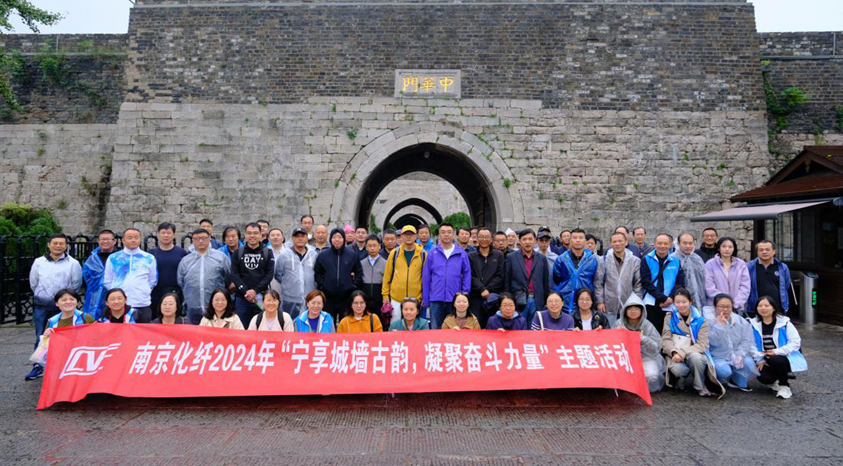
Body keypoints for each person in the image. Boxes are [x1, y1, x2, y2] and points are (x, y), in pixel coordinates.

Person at [661, 288, 723, 397]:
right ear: (674, 303)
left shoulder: (700, 320)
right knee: (679, 370)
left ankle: (700, 385)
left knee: (696, 358)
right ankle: (679, 379)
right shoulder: (669, 317)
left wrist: (682, 353)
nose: (681, 305)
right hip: (675, 353)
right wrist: (674, 352)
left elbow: (702, 344)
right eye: (677, 302)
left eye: (684, 302)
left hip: (691, 352)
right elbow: (666, 339)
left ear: (690, 302)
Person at [25, 289, 95, 381]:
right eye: (64, 300)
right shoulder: (52, 321)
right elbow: (47, 344)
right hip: (61, 361)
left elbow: (96, 336)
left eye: (72, 299)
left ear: (76, 301)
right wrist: (47, 334)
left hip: (82, 358)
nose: (68, 302)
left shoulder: (85, 317)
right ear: (57, 303)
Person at [29, 233, 82, 349]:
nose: (58, 246)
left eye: (61, 243)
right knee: (41, 336)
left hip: (63, 307)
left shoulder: (73, 263)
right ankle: (39, 359)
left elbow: (76, 284)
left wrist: (64, 299)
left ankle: (61, 358)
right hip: (42, 306)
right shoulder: (39, 262)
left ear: (66, 246)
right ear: (49, 245)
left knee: (63, 336)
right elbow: (34, 283)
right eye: (55, 243)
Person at [750, 296, 807, 399]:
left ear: (773, 308)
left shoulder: (785, 323)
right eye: (760, 306)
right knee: (764, 378)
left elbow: (795, 342)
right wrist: (760, 360)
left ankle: (784, 386)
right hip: (765, 358)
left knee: (775, 359)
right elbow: (751, 344)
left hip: (784, 357)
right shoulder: (753, 324)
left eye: (766, 305)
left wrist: (776, 351)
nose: (763, 308)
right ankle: (776, 379)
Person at [423, 222, 472, 329]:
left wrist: (465, 296)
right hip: (436, 299)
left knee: (454, 330)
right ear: (439, 235)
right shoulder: (432, 253)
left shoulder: (461, 253)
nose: (446, 235)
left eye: (449, 232)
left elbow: (467, 275)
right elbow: (426, 277)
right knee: (436, 330)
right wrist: (426, 299)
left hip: (455, 299)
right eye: (443, 232)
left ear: (453, 235)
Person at [103, 228, 158, 323]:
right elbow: (108, 280)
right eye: (130, 237)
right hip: (119, 305)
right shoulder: (114, 258)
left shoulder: (149, 258)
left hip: (141, 303)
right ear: (123, 240)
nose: (133, 240)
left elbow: (152, 280)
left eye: (136, 237)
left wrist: (144, 291)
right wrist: (117, 296)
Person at [178, 228, 231, 324]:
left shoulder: (221, 257)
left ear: (209, 238)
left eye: (203, 238)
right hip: (193, 307)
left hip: (216, 306)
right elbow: (181, 281)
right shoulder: (185, 261)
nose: (200, 241)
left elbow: (228, 278)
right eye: (197, 238)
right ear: (192, 240)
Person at [707, 293, 758, 391]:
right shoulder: (708, 321)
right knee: (724, 370)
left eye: (728, 307)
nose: (725, 309)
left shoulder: (741, 321)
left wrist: (740, 354)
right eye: (722, 306)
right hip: (716, 356)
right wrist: (720, 326)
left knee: (748, 362)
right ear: (715, 307)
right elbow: (713, 342)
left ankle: (737, 381)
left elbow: (747, 340)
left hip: (734, 353)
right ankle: (716, 380)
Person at [614, 294, 664, 392]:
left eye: (636, 309)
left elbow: (657, 347)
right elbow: (611, 344)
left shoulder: (647, 325)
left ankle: (643, 389)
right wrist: (618, 334)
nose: (633, 311)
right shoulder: (619, 323)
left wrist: (643, 339)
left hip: (645, 357)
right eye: (630, 309)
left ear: (642, 311)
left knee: (651, 374)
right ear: (624, 311)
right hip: (625, 359)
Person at [229, 222, 275, 328]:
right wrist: (246, 292)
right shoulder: (238, 252)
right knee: (242, 329)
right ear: (245, 235)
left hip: (261, 297)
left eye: (255, 233)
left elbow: (269, 275)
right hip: (242, 298)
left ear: (260, 235)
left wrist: (255, 291)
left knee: (262, 327)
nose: (252, 236)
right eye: (249, 233)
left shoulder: (267, 252)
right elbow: (234, 274)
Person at [594, 231, 643, 326]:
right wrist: (600, 301)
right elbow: (598, 283)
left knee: (628, 330)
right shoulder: (603, 260)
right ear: (611, 244)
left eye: (620, 241)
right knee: (610, 331)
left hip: (628, 302)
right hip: (608, 303)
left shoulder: (635, 261)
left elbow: (638, 284)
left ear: (626, 242)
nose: (617, 244)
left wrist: (635, 302)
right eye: (614, 241)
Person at [504, 229, 552, 327]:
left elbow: (545, 282)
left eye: (530, 239)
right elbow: (507, 281)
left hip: (537, 299)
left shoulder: (542, 258)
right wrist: (508, 300)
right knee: (517, 328)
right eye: (524, 239)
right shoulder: (511, 257)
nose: (527, 242)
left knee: (535, 328)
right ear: (519, 241)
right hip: (519, 300)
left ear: (535, 241)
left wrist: (546, 300)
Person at [314, 228, 363, 322]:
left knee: (345, 323)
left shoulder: (352, 255)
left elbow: (359, 272)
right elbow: (317, 272)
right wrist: (322, 285)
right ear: (330, 239)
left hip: (346, 297)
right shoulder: (323, 255)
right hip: (328, 297)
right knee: (327, 322)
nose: (337, 239)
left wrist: (353, 286)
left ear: (344, 239)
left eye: (340, 237)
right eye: (334, 237)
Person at [641, 233, 685, 334]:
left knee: (668, 333)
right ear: (654, 244)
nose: (662, 246)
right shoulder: (646, 259)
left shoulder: (676, 261)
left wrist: (670, 298)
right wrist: (663, 298)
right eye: (659, 243)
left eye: (665, 243)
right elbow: (646, 282)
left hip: (670, 303)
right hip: (651, 302)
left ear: (670, 245)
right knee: (652, 333)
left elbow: (679, 283)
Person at [382, 225, 426, 324]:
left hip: (415, 299)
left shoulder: (423, 254)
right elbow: (387, 277)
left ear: (416, 236)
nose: (408, 237)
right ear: (401, 236)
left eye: (411, 234)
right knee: (396, 326)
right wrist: (385, 296)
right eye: (406, 234)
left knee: (414, 327)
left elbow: (425, 278)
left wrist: (424, 296)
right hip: (396, 299)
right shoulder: (394, 253)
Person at [274, 227, 318, 319]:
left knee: (308, 325)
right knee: (289, 324)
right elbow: (278, 274)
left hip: (310, 298)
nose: (300, 238)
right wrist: (289, 284)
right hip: (290, 299)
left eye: (302, 236)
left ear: (307, 238)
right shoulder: (284, 255)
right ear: (292, 238)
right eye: (297, 236)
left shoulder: (313, 254)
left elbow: (317, 273)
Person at [552, 228, 598, 314]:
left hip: (585, 301)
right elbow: (556, 279)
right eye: (575, 238)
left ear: (585, 241)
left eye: (581, 238)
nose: (578, 240)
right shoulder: (561, 259)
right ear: (570, 240)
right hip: (565, 301)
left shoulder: (592, 260)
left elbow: (595, 280)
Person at [149, 222, 188, 320]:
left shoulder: (182, 253)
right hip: (155, 293)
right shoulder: (151, 254)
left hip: (176, 292)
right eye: (163, 233)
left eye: (169, 233)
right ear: (158, 234)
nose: (166, 235)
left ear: (173, 235)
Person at [468, 227, 504, 327]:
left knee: (493, 326)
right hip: (476, 297)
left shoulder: (498, 255)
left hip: (493, 297)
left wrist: (488, 289)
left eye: (487, 237)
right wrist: (481, 289)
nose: (484, 239)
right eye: (481, 237)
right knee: (477, 326)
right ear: (476, 238)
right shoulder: (470, 256)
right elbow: (470, 276)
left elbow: (500, 276)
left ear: (491, 239)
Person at [704, 237, 750, 313]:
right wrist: (724, 303)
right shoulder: (710, 264)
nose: (727, 249)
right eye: (724, 246)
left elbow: (745, 286)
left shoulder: (741, 264)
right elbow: (709, 287)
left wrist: (735, 304)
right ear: (719, 248)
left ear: (734, 249)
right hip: (715, 307)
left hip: (736, 308)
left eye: (730, 247)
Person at [747, 240, 792, 317]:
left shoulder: (782, 267)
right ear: (757, 252)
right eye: (761, 250)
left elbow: (786, 285)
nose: (764, 252)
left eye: (767, 250)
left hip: (777, 309)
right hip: (756, 309)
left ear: (774, 251)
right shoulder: (750, 267)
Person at [82, 229, 118, 320]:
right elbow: (86, 275)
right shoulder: (93, 258)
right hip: (95, 295)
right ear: (98, 241)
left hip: (115, 294)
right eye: (103, 239)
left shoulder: (120, 257)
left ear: (114, 241)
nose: (105, 241)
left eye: (108, 239)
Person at [673, 232, 707, 309]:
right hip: (680, 302)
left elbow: (704, 278)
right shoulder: (673, 259)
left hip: (700, 299)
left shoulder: (697, 259)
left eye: (690, 243)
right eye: (685, 243)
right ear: (678, 243)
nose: (688, 246)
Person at [359, 234, 386, 322]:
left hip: (379, 298)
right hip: (365, 298)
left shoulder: (385, 263)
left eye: (374, 245)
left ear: (379, 246)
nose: (372, 248)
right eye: (369, 246)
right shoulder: (361, 263)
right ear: (366, 247)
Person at [267, 227, 287, 294]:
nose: (275, 237)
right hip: (269, 288)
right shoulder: (264, 252)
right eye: (272, 235)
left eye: (278, 235)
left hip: (286, 288)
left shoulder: (290, 253)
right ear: (268, 239)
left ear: (283, 238)